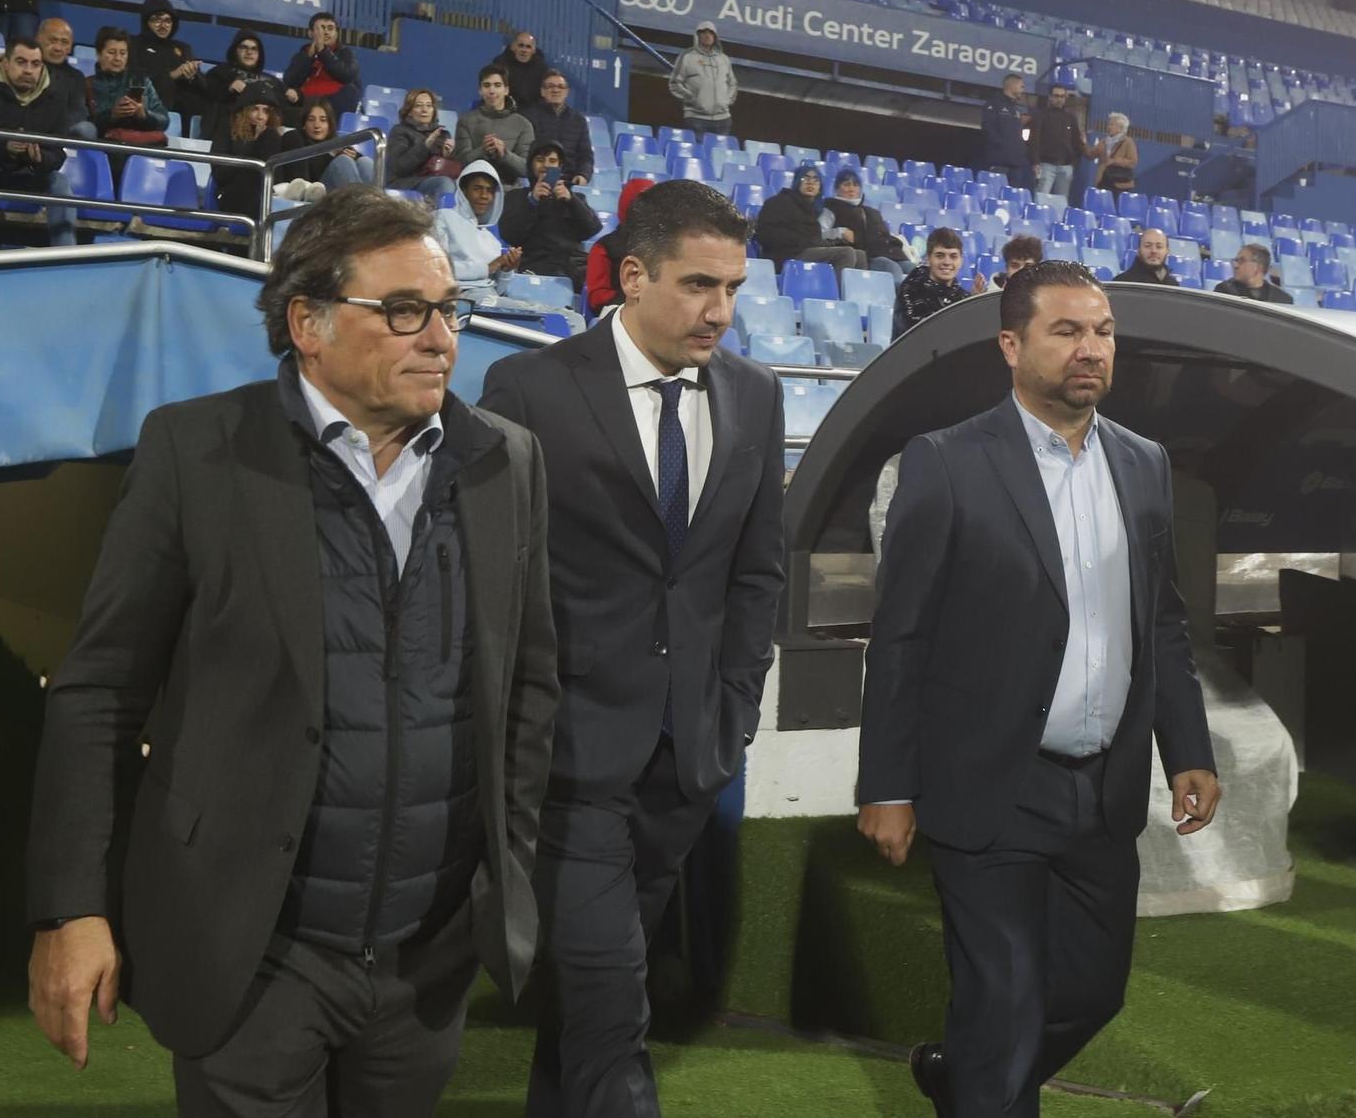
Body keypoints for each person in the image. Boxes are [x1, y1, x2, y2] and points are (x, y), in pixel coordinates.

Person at [25, 183, 558, 1116]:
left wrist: (495, 870)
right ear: (307, 323)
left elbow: (527, 688)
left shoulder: (504, 460)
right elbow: (99, 693)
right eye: (404, 311)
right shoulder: (198, 452)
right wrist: (71, 907)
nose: (441, 337)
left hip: (423, 961)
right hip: (255, 950)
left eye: (450, 310)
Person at [855, 260, 1222, 1118]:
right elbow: (901, 638)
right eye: (1066, 331)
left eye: (1102, 332)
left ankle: (965, 1075)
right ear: (1012, 345)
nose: (1089, 349)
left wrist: (1189, 749)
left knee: (1091, 993)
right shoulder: (944, 462)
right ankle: (985, 1080)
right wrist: (887, 785)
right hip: (990, 784)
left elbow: (1161, 622)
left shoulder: (1145, 464)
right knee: (1005, 1002)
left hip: (1104, 789)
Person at [477, 180, 785, 1118]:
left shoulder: (757, 396)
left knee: (591, 1002)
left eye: (732, 287)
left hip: (687, 757)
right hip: (569, 762)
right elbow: (495, 581)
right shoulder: (529, 388)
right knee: (617, 1002)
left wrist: (731, 712)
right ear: (635, 275)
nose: (720, 311)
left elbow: (756, 575)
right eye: (699, 285)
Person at [0, 37, 76, 248]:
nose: (28, 70)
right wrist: (4, 148)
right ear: (6, 63)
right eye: (21, 62)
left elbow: (58, 154)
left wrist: (40, 158)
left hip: (27, 171)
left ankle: (65, 256)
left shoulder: (55, 99)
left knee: (60, 183)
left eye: (35, 64)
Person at [498, 140, 600, 292]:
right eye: (540, 160)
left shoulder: (574, 197)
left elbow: (592, 229)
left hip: (572, 269)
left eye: (552, 161)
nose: (546, 165)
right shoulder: (516, 196)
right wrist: (532, 201)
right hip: (534, 267)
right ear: (531, 164)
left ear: (560, 166)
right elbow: (510, 235)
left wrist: (572, 201)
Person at [85, 27, 168, 180]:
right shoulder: (88, 85)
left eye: (123, 53)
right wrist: (112, 116)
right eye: (111, 52)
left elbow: (164, 119)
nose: (118, 58)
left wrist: (143, 115)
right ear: (98, 53)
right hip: (108, 149)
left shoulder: (141, 81)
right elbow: (85, 126)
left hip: (143, 144)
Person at [755, 164, 866, 274]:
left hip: (807, 251)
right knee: (846, 253)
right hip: (786, 256)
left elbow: (814, 240)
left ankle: (857, 291)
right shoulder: (778, 202)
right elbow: (764, 234)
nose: (810, 182)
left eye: (815, 180)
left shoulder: (813, 209)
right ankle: (836, 291)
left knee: (860, 255)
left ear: (820, 188)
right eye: (805, 178)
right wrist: (800, 241)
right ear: (797, 182)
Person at [433, 161, 519, 294]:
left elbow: (499, 291)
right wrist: (487, 268)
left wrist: (506, 271)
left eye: (489, 191)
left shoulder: (491, 239)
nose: (484, 196)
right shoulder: (443, 217)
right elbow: (437, 268)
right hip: (456, 296)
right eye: (477, 189)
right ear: (464, 191)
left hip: (488, 300)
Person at [127, 0, 215, 127]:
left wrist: (192, 76)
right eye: (157, 20)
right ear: (146, 21)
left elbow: (203, 87)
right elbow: (136, 79)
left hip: (183, 108)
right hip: (149, 105)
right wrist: (172, 75)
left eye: (168, 21)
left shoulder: (183, 48)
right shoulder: (133, 44)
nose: (163, 26)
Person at [583, 176, 656, 318]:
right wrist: (636, 299)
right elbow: (597, 297)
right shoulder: (604, 247)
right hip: (617, 314)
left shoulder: (667, 246)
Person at [277, 97, 375, 203]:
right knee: (343, 161)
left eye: (323, 120)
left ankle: (373, 206)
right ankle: (362, 207)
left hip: (338, 194)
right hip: (312, 192)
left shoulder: (336, 142)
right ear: (304, 124)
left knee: (365, 161)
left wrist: (354, 156)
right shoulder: (295, 137)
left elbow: (358, 158)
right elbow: (301, 179)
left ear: (330, 125)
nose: (317, 125)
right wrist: (331, 156)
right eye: (311, 120)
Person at [210, 83, 283, 221]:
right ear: (244, 110)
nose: (261, 116)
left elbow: (277, 175)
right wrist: (254, 144)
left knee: (277, 137)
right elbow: (220, 175)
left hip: (266, 195)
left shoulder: (271, 136)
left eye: (266, 111)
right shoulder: (226, 129)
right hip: (232, 194)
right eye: (255, 109)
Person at [455, 64, 533, 189]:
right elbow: (461, 164)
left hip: (508, 188)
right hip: (473, 187)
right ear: (480, 90)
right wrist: (482, 150)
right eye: (487, 85)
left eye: (497, 85)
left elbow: (526, 169)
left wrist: (504, 154)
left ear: (506, 90)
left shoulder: (523, 124)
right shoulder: (465, 121)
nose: (492, 91)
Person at [825, 168, 909, 277]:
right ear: (836, 189)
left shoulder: (872, 212)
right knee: (891, 267)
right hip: (866, 257)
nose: (851, 189)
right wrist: (840, 232)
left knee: (913, 268)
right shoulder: (830, 208)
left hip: (890, 254)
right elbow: (819, 234)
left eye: (855, 185)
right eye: (846, 184)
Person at [280, 10, 362, 119]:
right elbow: (290, 81)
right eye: (322, 28)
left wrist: (323, 51)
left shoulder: (345, 53)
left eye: (330, 28)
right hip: (304, 106)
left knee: (350, 91)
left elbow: (348, 74)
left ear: (336, 34)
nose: (326, 32)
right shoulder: (303, 54)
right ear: (310, 33)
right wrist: (309, 56)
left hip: (332, 108)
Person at [520, 67, 593, 185]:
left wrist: (583, 175)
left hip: (569, 182)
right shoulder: (529, 116)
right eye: (550, 86)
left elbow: (586, 155)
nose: (555, 90)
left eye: (560, 87)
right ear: (542, 91)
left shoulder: (578, 120)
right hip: (537, 180)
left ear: (567, 92)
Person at [894, 226, 970, 338]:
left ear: (961, 261)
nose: (947, 262)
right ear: (928, 259)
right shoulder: (911, 289)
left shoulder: (963, 297)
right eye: (940, 256)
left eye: (953, 256)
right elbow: (917, 333)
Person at [205, 28, 280, 142]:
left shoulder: (270, 79)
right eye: (244, 47)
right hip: (227, 130)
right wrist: (228, 89)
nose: (249, 52)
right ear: (235, 50)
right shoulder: (220, 72)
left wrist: (297, 95)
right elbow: (206, 93)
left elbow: (285, 98)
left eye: (254, 49)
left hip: (264, 132)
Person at [384, 87, 459, 199]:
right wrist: (425, 146)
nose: (425, 110)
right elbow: (399, 167)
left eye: (429, 106)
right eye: (418, 105)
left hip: (434, 178)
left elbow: (449, 167)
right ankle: (444, 216)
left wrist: (447, 156)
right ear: (409, 111)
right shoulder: (399, 131)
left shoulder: (442, 133)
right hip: (405, 182)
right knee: (444, 183)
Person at [667, 22, 736, 136]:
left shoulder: (724, 59)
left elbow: (732, 84)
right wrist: (692, 99)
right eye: (703, 32)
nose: (707, 35)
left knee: (719, 153)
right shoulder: (687, 57)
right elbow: (674, 84)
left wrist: (726, 101)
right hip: (696, 119)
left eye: (711, 32)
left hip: (723, 120)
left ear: (715, 37)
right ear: (697, 36)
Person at [35, 18, 94, 140]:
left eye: (64, 42)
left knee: (87, 129)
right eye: (52, 40)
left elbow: (78, 112)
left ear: (70, 47)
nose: (58, 48)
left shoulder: (76, 77)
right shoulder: (28, 70)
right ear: (38, 39)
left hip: (62, 132)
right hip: (30, 127)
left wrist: (55, 128)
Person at [1029, 84, 1083, 199]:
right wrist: (1035, 161)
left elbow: (1076, 141)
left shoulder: (1071, 118)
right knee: (1041, 198)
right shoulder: (1040, 115)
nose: (1059, 99)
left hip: (1066, 166)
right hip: (1045, 164)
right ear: (1050, 97)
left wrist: (1074, 163)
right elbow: (1034, 139)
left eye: (1062, 96)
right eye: (1056, 96)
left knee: (1061, 202)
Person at [982, 73, 1033, 192]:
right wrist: (1001, 145)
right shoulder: (993, 103)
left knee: (1012, 198)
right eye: (1022, 86)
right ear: (1012, 85)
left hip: (1016, 164)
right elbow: (988, 128)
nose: (1023, 90)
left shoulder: (1015, 108)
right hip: (999, 162)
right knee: (995, 194)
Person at [1213, 242, 1293, 303]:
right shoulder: (1224, 291)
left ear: (1257, 267)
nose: (1235, 265)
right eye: (1236, 260)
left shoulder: (1282, 299)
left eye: (1241, 261)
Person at [488, 29, 548, 109]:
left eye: (528, 47)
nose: (524, 50)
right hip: (505, 110)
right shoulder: (500, 64)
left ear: (533, 50)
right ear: (512, 47)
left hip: (532, 113)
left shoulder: (542, 68)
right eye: (521, 45)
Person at [975, 232, 1043, 293]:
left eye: (1028, 266)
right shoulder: (986, 296)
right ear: (1006, 268)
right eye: (1015, 266)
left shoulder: (1045, 297)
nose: (1021, 271)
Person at [1089, 112, 1136, 191]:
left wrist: (1114, 161)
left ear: (1120, 128)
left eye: (1111, 124)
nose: (1108, 127)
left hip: (1120, 183)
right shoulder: (1103, 142)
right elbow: (1090, 155)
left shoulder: (1128, 142)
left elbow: (1132, 161)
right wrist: (1083, 143)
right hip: (1103, 181)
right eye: (1108, 124)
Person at [1114, 228, 1179, 286]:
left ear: (1167, 251)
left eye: (1159, 247)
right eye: (1147, 246)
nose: (1153, 251)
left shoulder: (1173, 285)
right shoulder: (1122, 283)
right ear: (1138, 251)